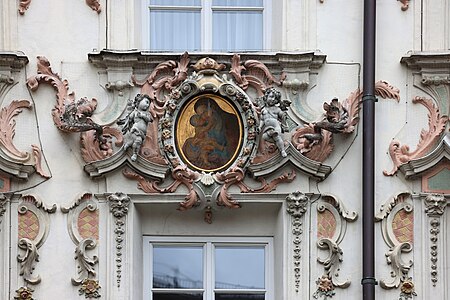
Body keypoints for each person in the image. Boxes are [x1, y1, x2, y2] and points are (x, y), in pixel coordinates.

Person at [118, 94, 153, 161]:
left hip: (142, 132)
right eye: (146, 102)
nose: (147, 105)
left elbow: (149, 119)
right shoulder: (135, 112)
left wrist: (142, 116)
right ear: (139, 101)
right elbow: (129, 118)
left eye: (149, 104)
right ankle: (134, 154)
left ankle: (129, 144)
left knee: (135, 141)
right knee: (138, 141)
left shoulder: (146, 113)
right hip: (135, 129)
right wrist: (124, 122)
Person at [259, 87, 290, 157]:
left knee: (277, 137)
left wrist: (283, 115)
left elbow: (281, 114)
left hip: (276, 126)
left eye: (275, 99)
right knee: (264, 137)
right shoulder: (263, 109)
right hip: (267, 128)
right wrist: (260, 127)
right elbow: (262, 119)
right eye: (271, 96)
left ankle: (282, 150)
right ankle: (271, 133)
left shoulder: (276, 109)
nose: (273, 99)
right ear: (266, 97)